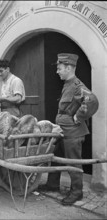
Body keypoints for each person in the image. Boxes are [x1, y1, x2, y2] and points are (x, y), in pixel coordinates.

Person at [38, 53, 99, 206]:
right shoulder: (67, 84)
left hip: (73, 132)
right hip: (62, 130)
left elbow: (92, 101)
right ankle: (52, 185)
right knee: (56, 157)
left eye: (59, 68)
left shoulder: (78, 86)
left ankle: (77, 192)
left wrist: (79, 117)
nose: (57, 71)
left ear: (69, 67)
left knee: (73, 163)